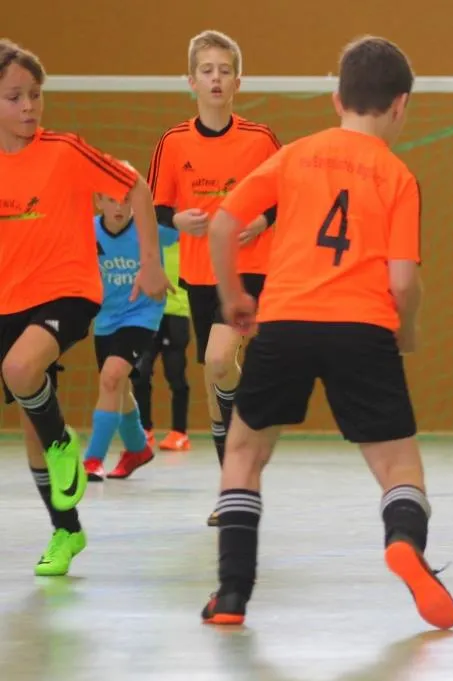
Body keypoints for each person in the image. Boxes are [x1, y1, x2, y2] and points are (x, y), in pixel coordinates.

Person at [199, 35, 453, 631]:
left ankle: (232, 593)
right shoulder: (397, 175)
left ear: (336, 99)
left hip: (285, 322)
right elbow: (402, 281)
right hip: (362, 329)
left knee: (244, 453)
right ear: (401, 105)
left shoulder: (296, 155)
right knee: (397, 466)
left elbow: (223, 224)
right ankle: (404, 544)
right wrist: (406, 330)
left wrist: (234, 297)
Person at [0, 39, 170, 576]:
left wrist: (150, 263)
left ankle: (63, 443)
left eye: (35, 94)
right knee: (30, 418)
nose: (29, 106)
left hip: (68, 290)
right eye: (14, 97)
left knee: (20, 370)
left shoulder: (65, 151)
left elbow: (136, 187)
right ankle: (66, 531)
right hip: (9, 300)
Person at [146, 29, 281, 525]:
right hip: (200, 274)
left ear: (238, 81)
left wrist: (261, 221)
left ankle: (239, 469)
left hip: (250, 269)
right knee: (216, 373)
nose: (216, 78)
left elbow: (287, 195)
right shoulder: (173, 142)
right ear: (192, 81)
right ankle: (234, 489)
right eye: (207, 70)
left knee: (221, 358)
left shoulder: (260, 139)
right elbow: (156, 206)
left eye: (225, 70)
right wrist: (177, 220)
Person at [83, 186, 180, 481]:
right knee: (118, 388)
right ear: (98, 200)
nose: (119, 207)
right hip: (105, 319)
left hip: (142, 314)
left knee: (112, 377)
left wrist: (188, 219)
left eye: (126, 200)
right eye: (111, 199)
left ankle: (92, 459)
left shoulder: (149, 230)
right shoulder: (86, 231)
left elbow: (184, 230)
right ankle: (138, 448)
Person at [132, 235, 192, 453]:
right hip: (148, 314)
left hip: (176, 315)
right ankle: (144, 429)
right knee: (140, 372)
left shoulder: (187, 239)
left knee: (175, 374)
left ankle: (179, 432)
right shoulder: (148, 239)